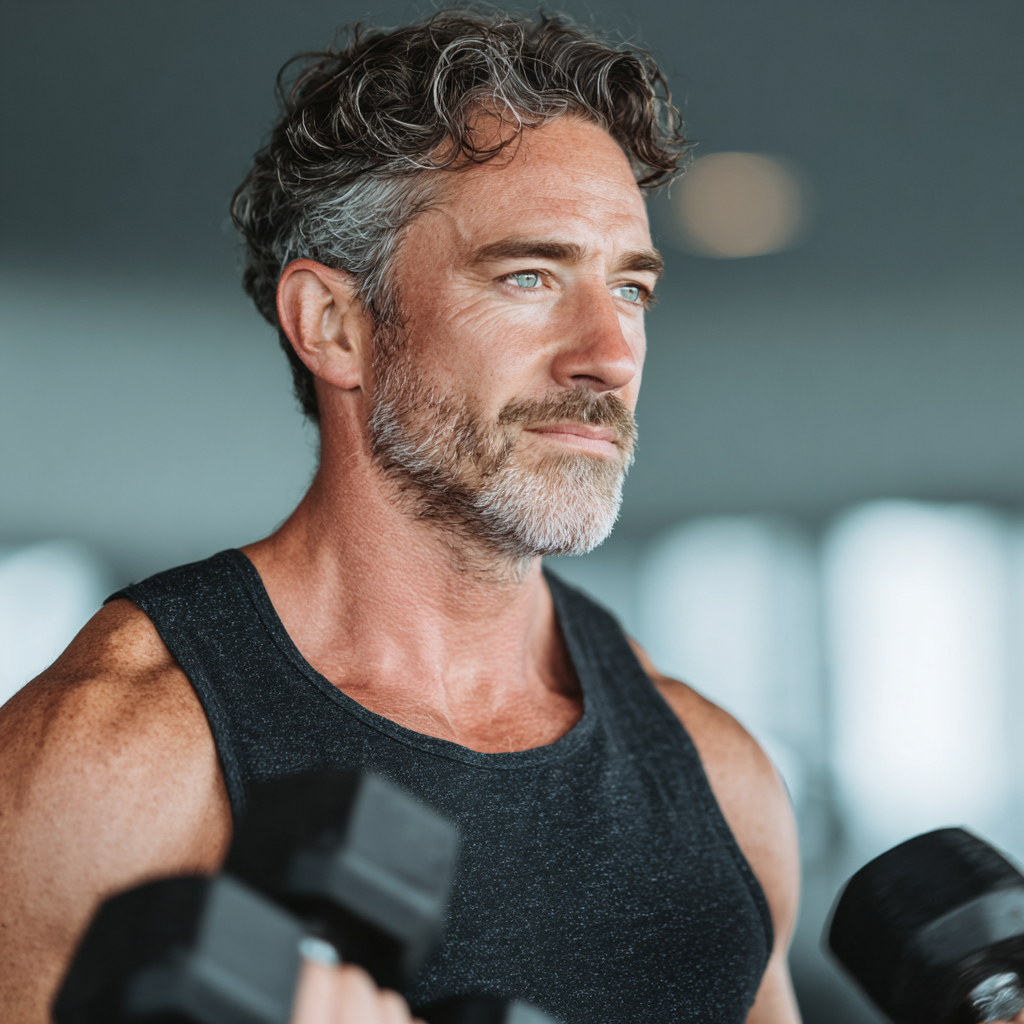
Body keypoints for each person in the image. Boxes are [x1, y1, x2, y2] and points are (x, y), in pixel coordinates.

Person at [0, 10, 799, 1024]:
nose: (608, 353)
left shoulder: (715, 774)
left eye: (630, 290)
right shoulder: (112, 761)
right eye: (528, 276)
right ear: (334, 325)